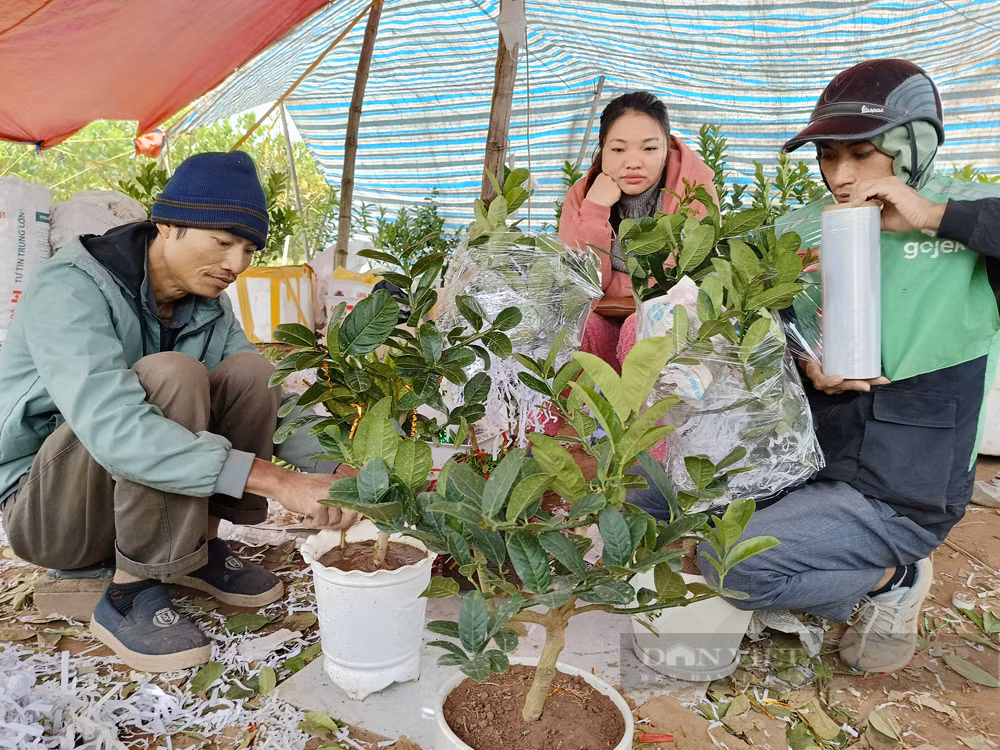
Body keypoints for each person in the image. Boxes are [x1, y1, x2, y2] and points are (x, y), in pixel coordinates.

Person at [626, 59, 1000, 673]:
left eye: (862, 155)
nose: (842, 176)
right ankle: (810, 546)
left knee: (734, 566)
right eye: (829, 156)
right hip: (802, 458)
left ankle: (891, 578)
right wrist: (805, 363)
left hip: (897, 489)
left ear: (911, 147)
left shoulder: (964, 221)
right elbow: (771, 329)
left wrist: (931, 216)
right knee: (646, 492)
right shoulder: (807, 228)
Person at [0, 152, 359, 672]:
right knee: (172, 374)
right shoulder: (70, 288)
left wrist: (341, 467)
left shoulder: (207, 306)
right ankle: (128, 593)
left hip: (123, 497)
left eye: (248, 249)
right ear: (166, 225)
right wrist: (279, 483)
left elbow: (270, 398)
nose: (236, 265)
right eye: (222, 242)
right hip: (50, 512)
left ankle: (201, 549)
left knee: (252, 373)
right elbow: (118, 431)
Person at [558, 91, 718, 371]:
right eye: (618, 149)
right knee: (577, 334)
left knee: (641, 329)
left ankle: (649, 416)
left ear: (667, 149)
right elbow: (579, 285)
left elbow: (681, 282)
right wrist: (595, 208)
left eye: (649, 148)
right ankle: (580, 415)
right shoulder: (583, 195)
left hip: (672, 321)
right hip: (604, 316)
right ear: (602, 149)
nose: (633, 162)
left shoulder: (693, 189)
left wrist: (617, 286)